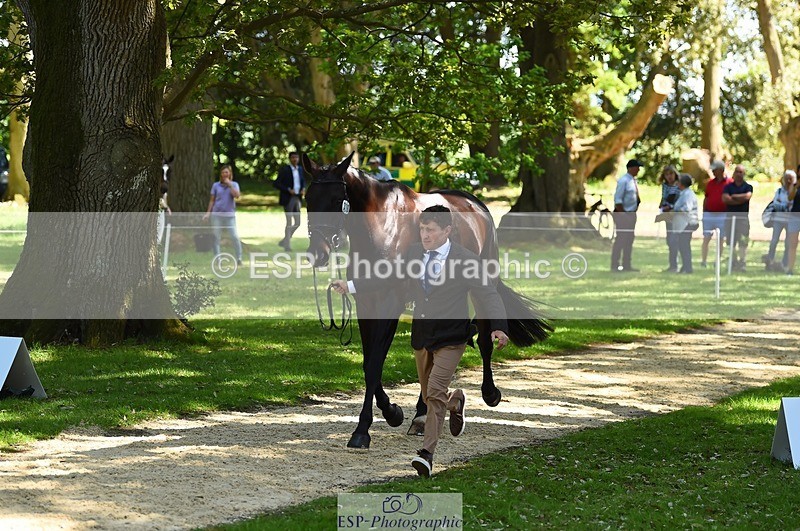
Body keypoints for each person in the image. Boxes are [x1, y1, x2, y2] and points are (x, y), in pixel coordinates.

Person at [330, 206, 509, 477]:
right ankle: (455, 401)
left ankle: (426, 454)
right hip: (423, 337)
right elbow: (387, 276)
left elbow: (488, 293)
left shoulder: (466, 259)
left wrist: (498, 327)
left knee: (433, 391)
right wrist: (351, 286)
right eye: (422, 229)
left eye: (431, 230)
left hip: (452, 337)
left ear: (447, 231)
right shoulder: (414, 254)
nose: (425, 235)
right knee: (432, 395)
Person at [203, 164, 243, 265]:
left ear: (230, 174)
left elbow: (237, 195)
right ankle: (218, 259)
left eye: (226, 172)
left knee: (234, 236)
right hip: (217, 215)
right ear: (220, 174)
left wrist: (229, 185)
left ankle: (239, 258)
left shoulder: (234, 184)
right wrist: (208, 213)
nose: (224, 174)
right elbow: (212, 201)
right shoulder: (215, 185)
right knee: (216, 237)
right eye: (223, 172)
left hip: (230, 216)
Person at [611, 159, 643, 272]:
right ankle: (615, 264)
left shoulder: (633, 180)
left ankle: (626, 264)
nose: (638, 169)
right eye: (637, 167)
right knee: (621, 239)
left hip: (631, 213)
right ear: (631, 168)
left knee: (629, 239)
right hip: (623, 214)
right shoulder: (624, 181)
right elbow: (618, 200)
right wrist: (623, 214)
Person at [763, 170, 797, 271]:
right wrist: (786, 206)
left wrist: (785, 205)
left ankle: (785, 263)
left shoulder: (795, 192)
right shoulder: (779, 191)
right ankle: (770, 261)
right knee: (774, 241)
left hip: (790, 221)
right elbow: (776, 204)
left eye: (791, 178)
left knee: (788, 243)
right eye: (787, 178)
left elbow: (793, 206)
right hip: (778, 220)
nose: (788, 180)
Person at [701, 160, 732, 267]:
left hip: (722, 214)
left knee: (721, 238)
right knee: (706, 238)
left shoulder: (729, 183)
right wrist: (704, 212)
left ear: (721, 170)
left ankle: (717, 261)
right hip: (709, 214)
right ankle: (703, 261)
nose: (713, 172)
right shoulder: (710, 183)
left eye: (715, 170)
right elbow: (706, 197)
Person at [722, 164, 753, 271]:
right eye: (737, 171)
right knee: (731, 242)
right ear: (734, 173)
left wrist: (734, 197)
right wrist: (740, 199)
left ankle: (742, 262)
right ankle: (733, 262)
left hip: (743, 218)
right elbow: (725, 199)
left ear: (744, 174)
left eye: (741, 172)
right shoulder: (728, 187)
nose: (739, 174)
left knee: (743, 241)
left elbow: (747, 196)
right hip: (730, 218)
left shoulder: (748, 187)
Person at [273, 151, 305, 251]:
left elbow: (302, 181)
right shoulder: (285, 170)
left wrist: (303, 188)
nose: (295, 159)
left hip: (297, 198)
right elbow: (276, 183)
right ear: (290, 159)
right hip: (288, 198)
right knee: (289, 222)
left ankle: (284, 240)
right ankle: (287, 246)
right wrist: (287, 189)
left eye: (296, 157)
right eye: (293, 158)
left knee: (298, 222)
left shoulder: (300, 169)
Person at [672, 173, 699, 274]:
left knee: (684, 246)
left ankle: (688, 268)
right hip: (683, 223)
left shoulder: (688, 194)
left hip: (688, 223)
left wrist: (674, 211)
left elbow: (687, 208)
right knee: (682, 246)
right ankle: (685, 267)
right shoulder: (683, 193)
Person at [658, 165, 681, 272]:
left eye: (671, 174)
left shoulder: (678, 185)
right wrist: (662, 206)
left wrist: (670, 207)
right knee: (669, 239)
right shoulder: (665, 185)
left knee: (674, 240)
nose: (669, 177)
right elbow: (664, 198)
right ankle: (672, 264)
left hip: (676, 215)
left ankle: (675, 265)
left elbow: (679, 201)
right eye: (667, 174)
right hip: (667, 215)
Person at [783, 167, 800, 275]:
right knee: (792, 244)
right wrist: (796, 187)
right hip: (794, 216)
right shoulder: (794, 185)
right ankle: (790, 269)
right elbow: (790, 198)